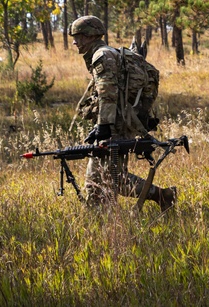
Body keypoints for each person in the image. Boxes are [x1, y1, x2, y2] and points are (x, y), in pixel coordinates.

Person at [70, 15, 177, 210]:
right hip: (118, 121)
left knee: (107, 178)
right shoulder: (107, 53)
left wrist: (103, 126)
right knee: (106, 176)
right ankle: (106, 214)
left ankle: (162, 196)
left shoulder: (101, 55)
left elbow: (107, 92)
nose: (74, 42)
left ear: (89, 36)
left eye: (77, 36)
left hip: (115, 124)